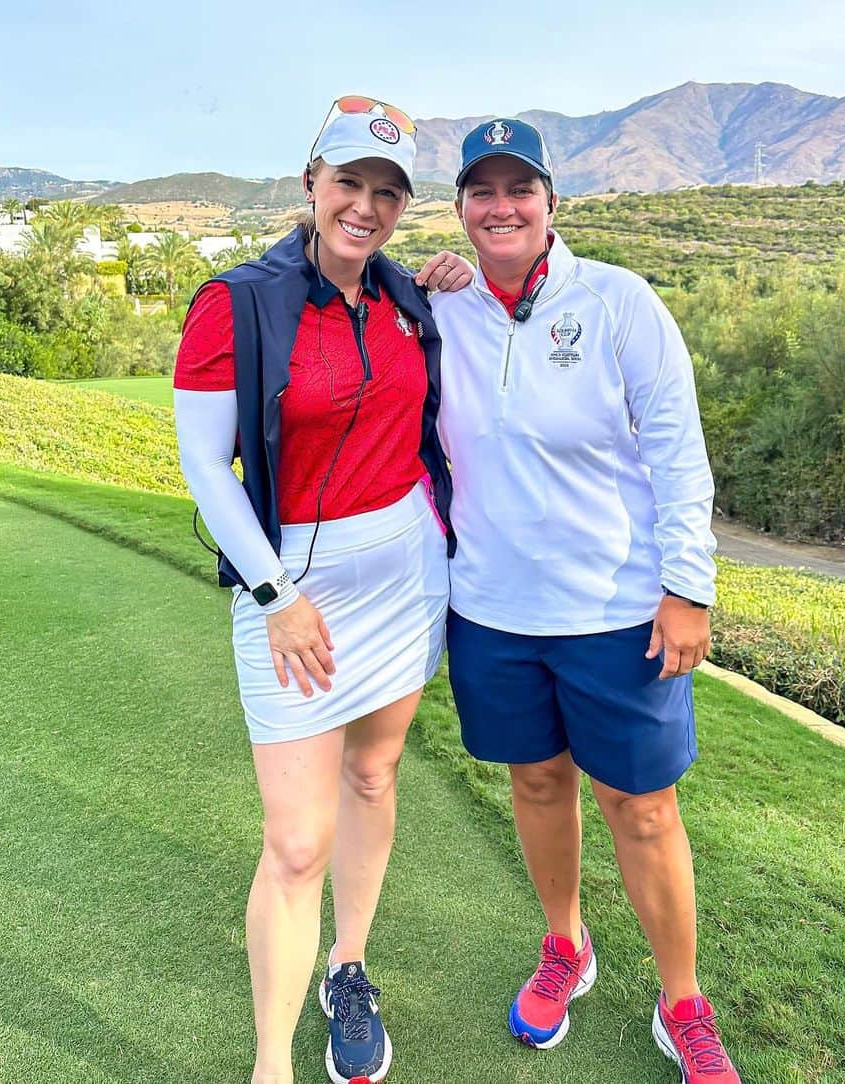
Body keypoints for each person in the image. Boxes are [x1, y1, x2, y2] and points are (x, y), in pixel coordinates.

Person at [431, 119, 742, 1084]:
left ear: (551, 203)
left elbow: (678, 457)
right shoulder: (437, 306)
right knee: (535, 784)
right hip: (492, 609)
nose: (501, 208)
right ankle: (566, 946)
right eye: (482, 193)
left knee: (642, 809)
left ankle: (682, 1002)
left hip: (616, 612)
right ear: (461, 211)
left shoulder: (619, 302)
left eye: (519, 190)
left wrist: (689, 587)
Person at [173, 96, 471, 1084]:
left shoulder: (406, 298)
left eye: (388, 192)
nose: (367, 206)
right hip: (293, 593)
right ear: (311, 184)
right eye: (350, 182)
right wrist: (274, 595)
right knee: (297, 842)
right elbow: (208, 469)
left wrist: (460, 283)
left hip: (404, 580)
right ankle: (271, 1063)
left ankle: (350, 969)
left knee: (376, 780)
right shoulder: (236, 303)